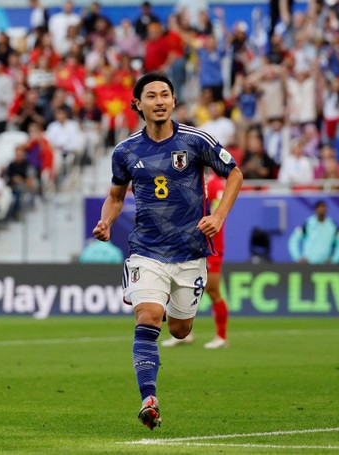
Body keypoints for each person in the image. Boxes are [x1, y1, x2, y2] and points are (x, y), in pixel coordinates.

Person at [92, 72, 243, 430]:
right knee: (147, 318)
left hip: (190, 253)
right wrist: (106, 222)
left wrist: (219, 216)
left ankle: (171, 323)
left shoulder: (196, 141)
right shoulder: (126, 151)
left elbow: (234, 173)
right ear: (138, 104)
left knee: (178, 329)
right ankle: (149, 399)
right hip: (146, 250)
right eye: (151, 96)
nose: (159, 101)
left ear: (174, 101)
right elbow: (115, 197)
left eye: (165, 95)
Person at [162, 172, 230, 349]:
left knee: (213, 290)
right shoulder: (189, 180)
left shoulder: (214, 185)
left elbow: (216, 213)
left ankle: (221, 336)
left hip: (211, 245)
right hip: (188, 245)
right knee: (178, 286)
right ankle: (185, 334)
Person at [288, 200, 339, 264]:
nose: (321, 210)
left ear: (326, 209)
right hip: (308, 263)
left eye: (323, 207)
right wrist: (298, 257)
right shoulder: (308, 224)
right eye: (319, 207)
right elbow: (294, 240)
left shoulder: (332, 225)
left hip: (324, 264)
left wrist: (334, 260)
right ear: (315, 210)